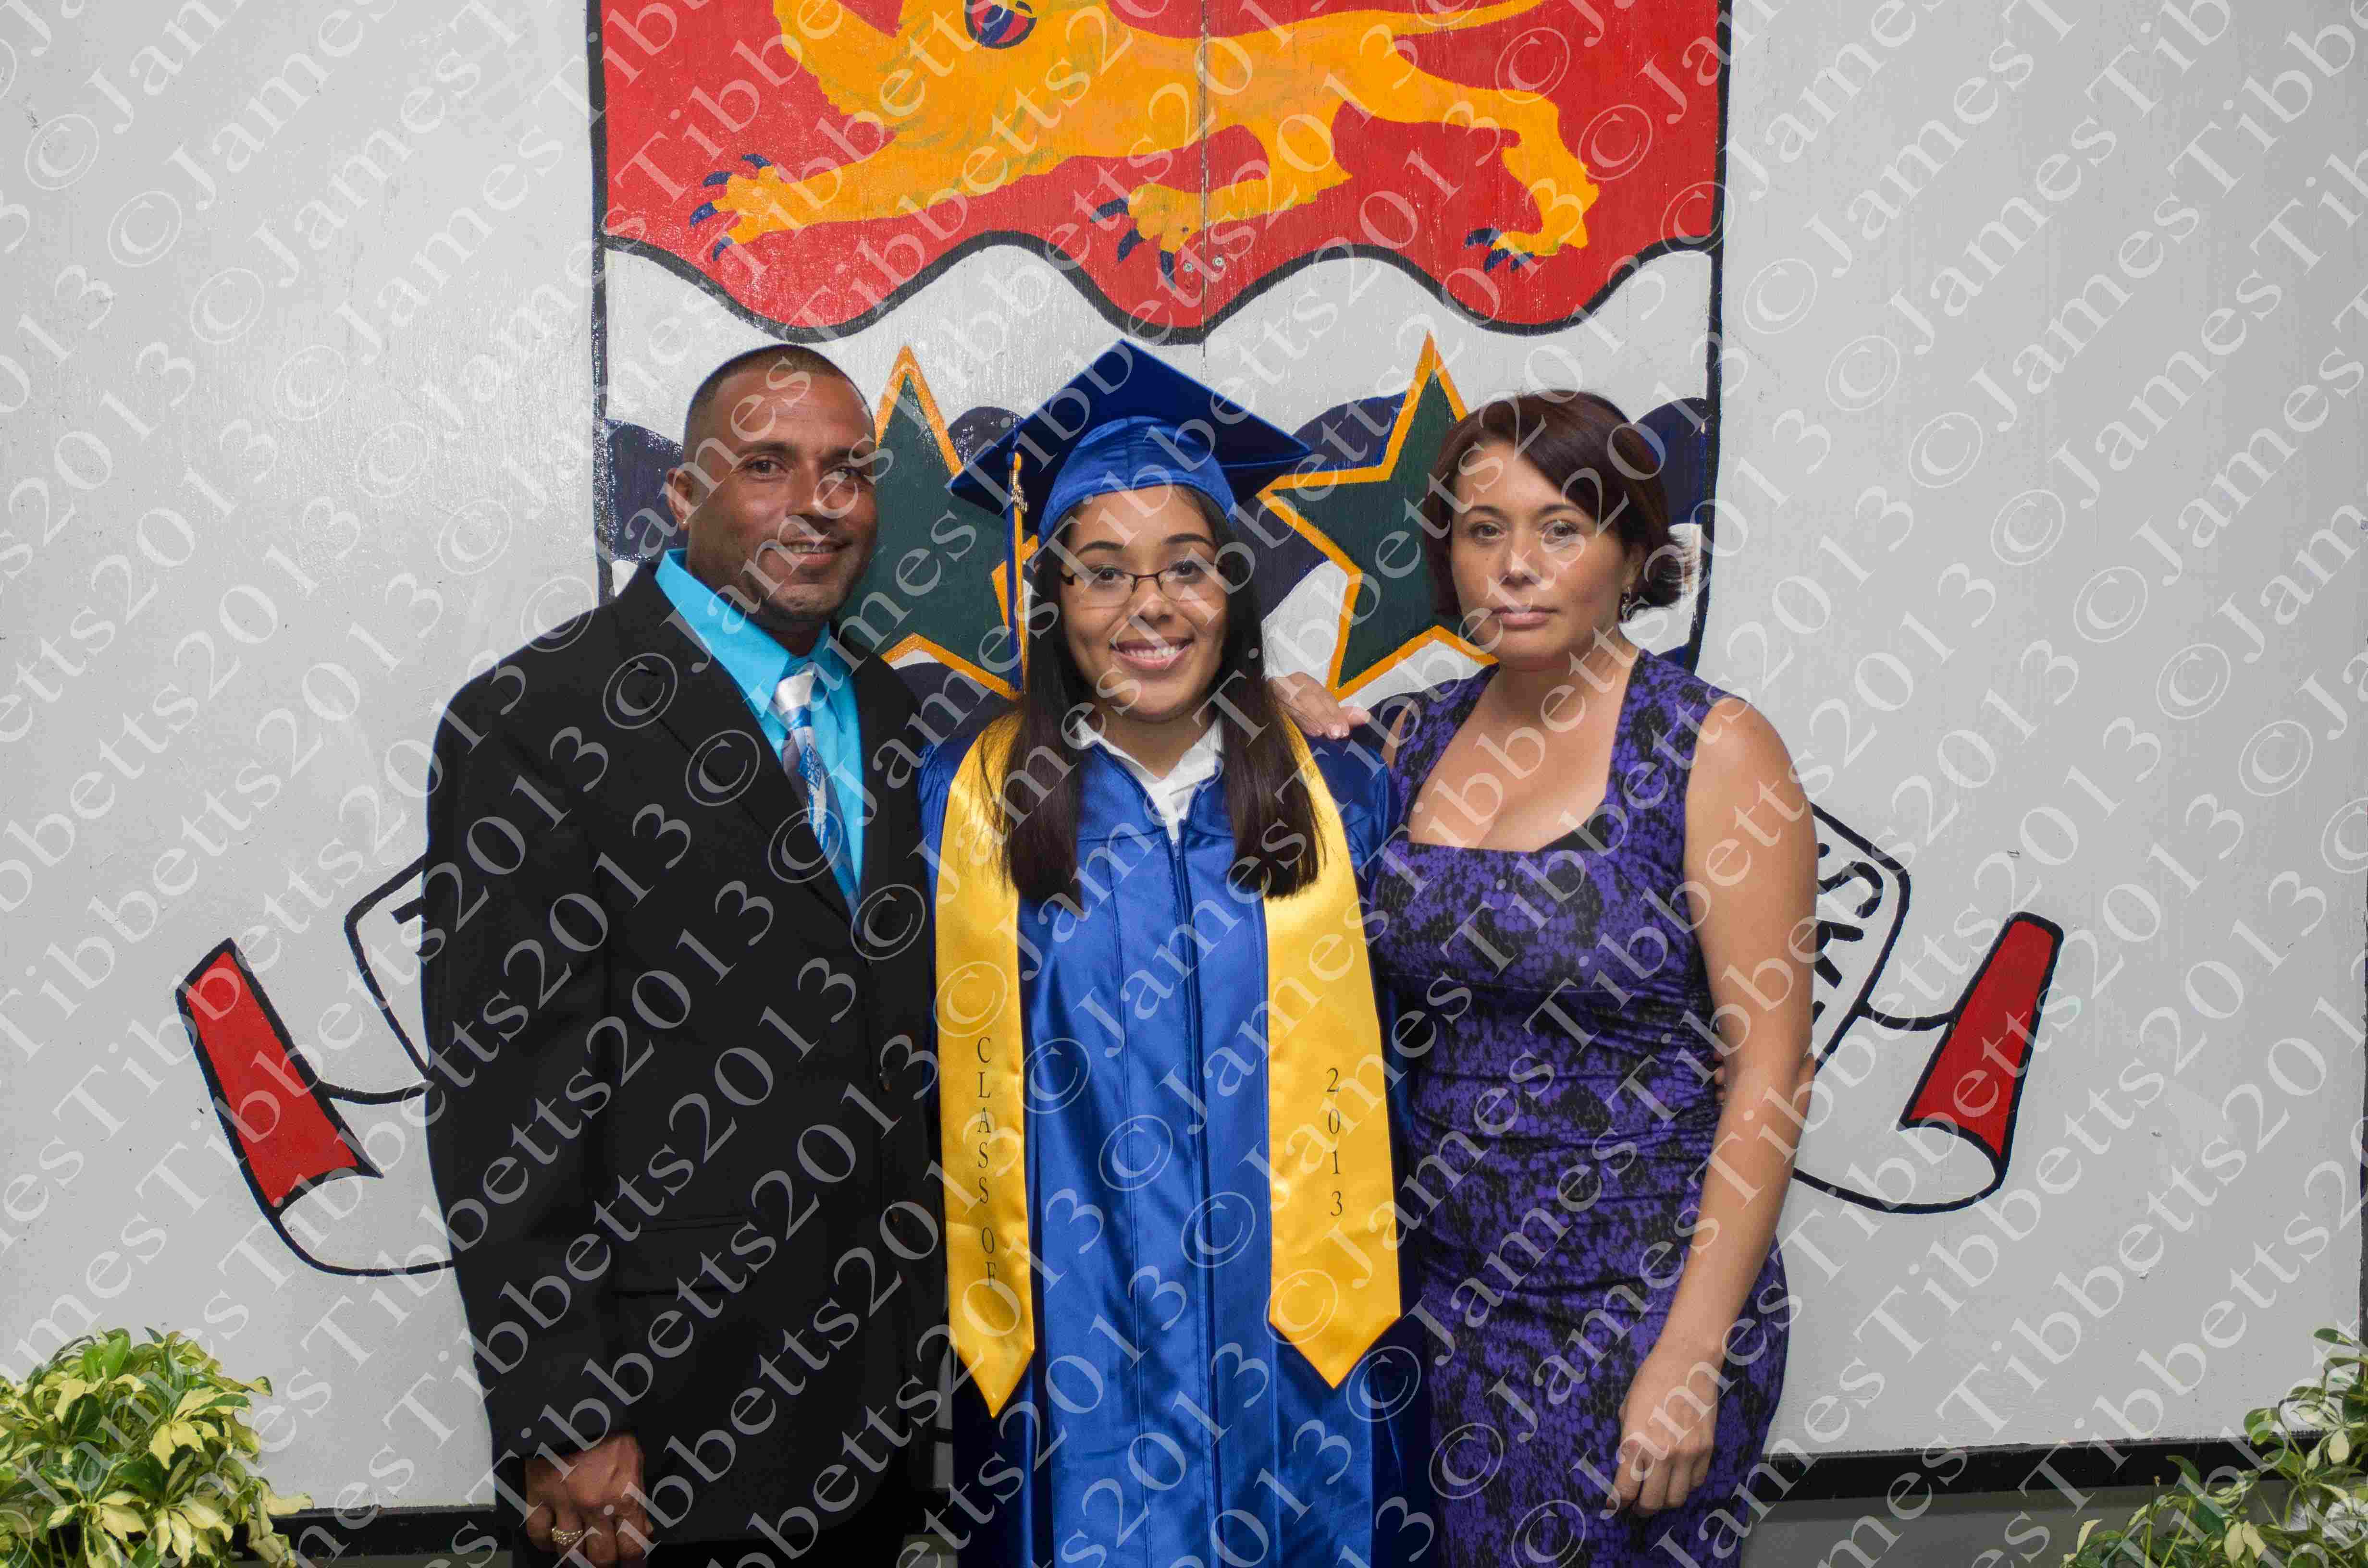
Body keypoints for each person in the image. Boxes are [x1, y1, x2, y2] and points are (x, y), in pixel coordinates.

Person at [420, 345, 945, 1565]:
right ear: (681, 493)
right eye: (766, 466)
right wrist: (564, 1414)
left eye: (847, 470)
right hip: (660, 1432)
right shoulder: (535, 718)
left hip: (882, 1412)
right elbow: (504, 1105)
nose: (817, 502)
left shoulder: (894, 715)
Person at [916, 344, 1434, 1567]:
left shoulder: (1349, 793)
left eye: (1187, 567)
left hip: (1306, 1371)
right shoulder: (961, 805)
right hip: (1074, 1372)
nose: (1148, 607)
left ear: (1231, 591)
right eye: (1103, 572)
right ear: (1054, 599)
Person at [1364, 391, 1815, 1565]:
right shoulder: (1410, 740)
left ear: (1631, 553)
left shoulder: (1712, 747)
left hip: (1638, 1307)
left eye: (1559, 528)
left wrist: (1691, 1355)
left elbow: (1769, 1071)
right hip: (1443, 1307)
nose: (1514, 566)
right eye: (1482, 530)